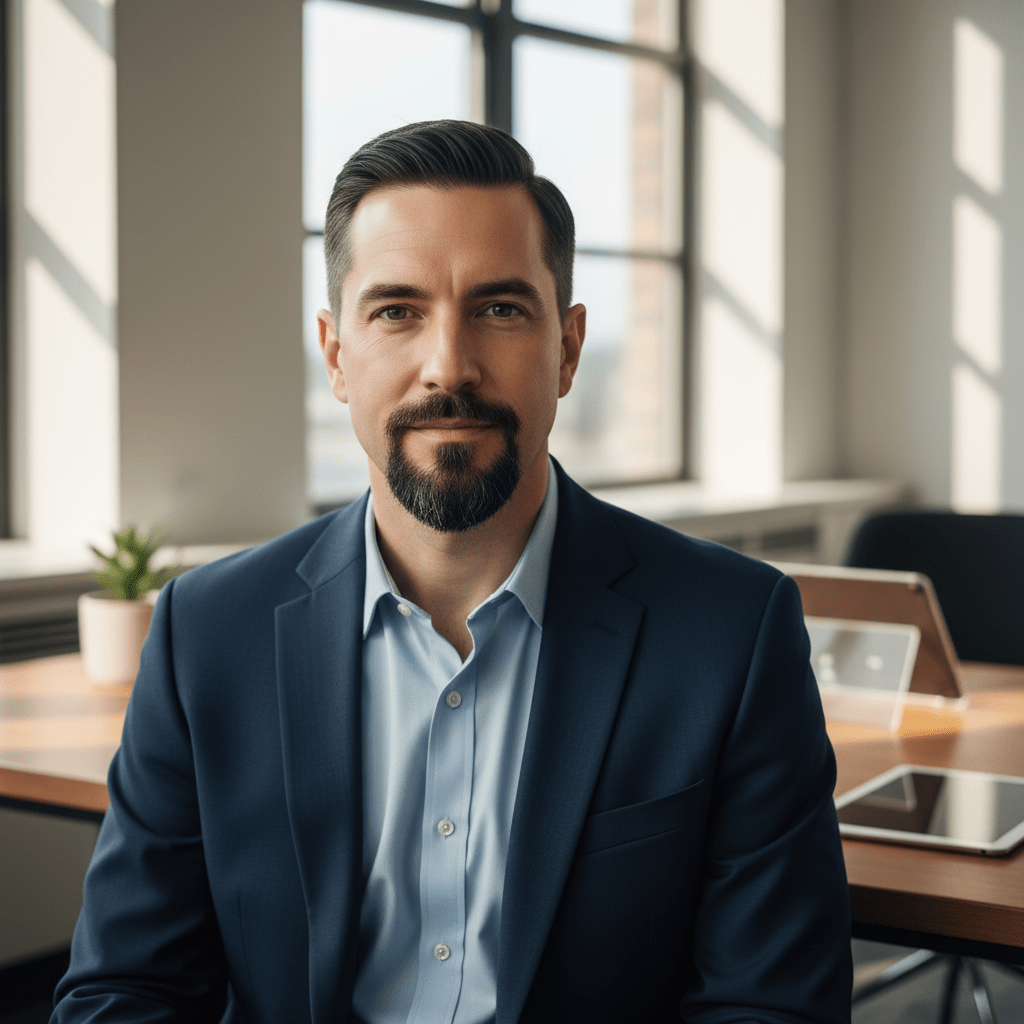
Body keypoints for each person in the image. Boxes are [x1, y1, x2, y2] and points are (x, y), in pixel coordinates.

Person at [53, 120, 852, 1024]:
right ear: (336, 355)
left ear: (568, 348)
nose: (449, 367)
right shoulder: (207, 631)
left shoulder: (730, 633)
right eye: (397, 310)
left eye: (501, 308)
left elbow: (774, 1006)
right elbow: (128, 989)